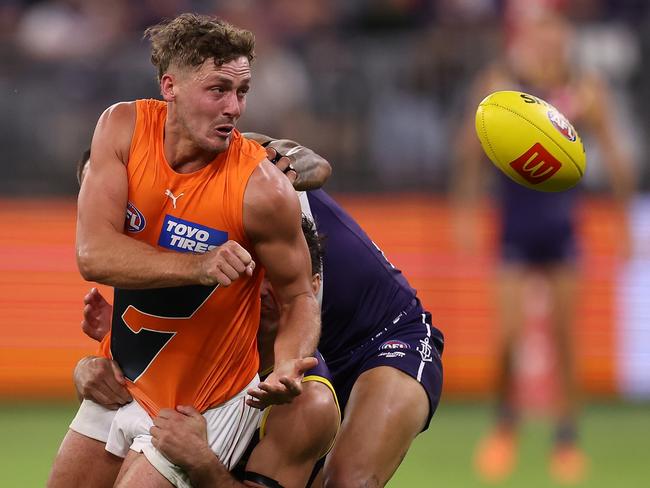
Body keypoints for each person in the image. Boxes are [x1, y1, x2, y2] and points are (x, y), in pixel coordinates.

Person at [74, 133, 445, 487]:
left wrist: (288, 169)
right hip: (295, 349)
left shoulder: (225, 162)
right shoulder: (161, 243)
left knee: (348, 480)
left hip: (384, 335)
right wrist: (91, 366)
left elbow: (317, 166)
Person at [48, 13, 320, 488]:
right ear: (169, 86)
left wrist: (291, 360)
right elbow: (93, 255)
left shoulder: (261, 190)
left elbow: (299, 297)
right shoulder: (122, 127)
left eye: (242, 92)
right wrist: (200, 265)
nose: (234, 107)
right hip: (123, 384)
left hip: (203, 405)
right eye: (218, 90)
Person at [451, 8, 634, 484]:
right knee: (509, 337)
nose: (549, 44)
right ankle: (505, 424)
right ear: (527, 40)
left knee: (566, 337)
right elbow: (469, 151)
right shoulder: (501, 87)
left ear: (566, 41)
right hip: (513, 230)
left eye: (556, 36)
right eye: (541, 36)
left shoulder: (585, 90)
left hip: (563, 231)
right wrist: (466, 212)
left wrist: (625, 223)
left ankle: (567, 437)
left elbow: (615, 155)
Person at [75, 217, 340, 488]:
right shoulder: (198, 342)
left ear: (312, 285)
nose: (260, 291)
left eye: (275, 280)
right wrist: (90, 370)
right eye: (252, 276)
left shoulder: (307, 402)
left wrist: (202, 462)